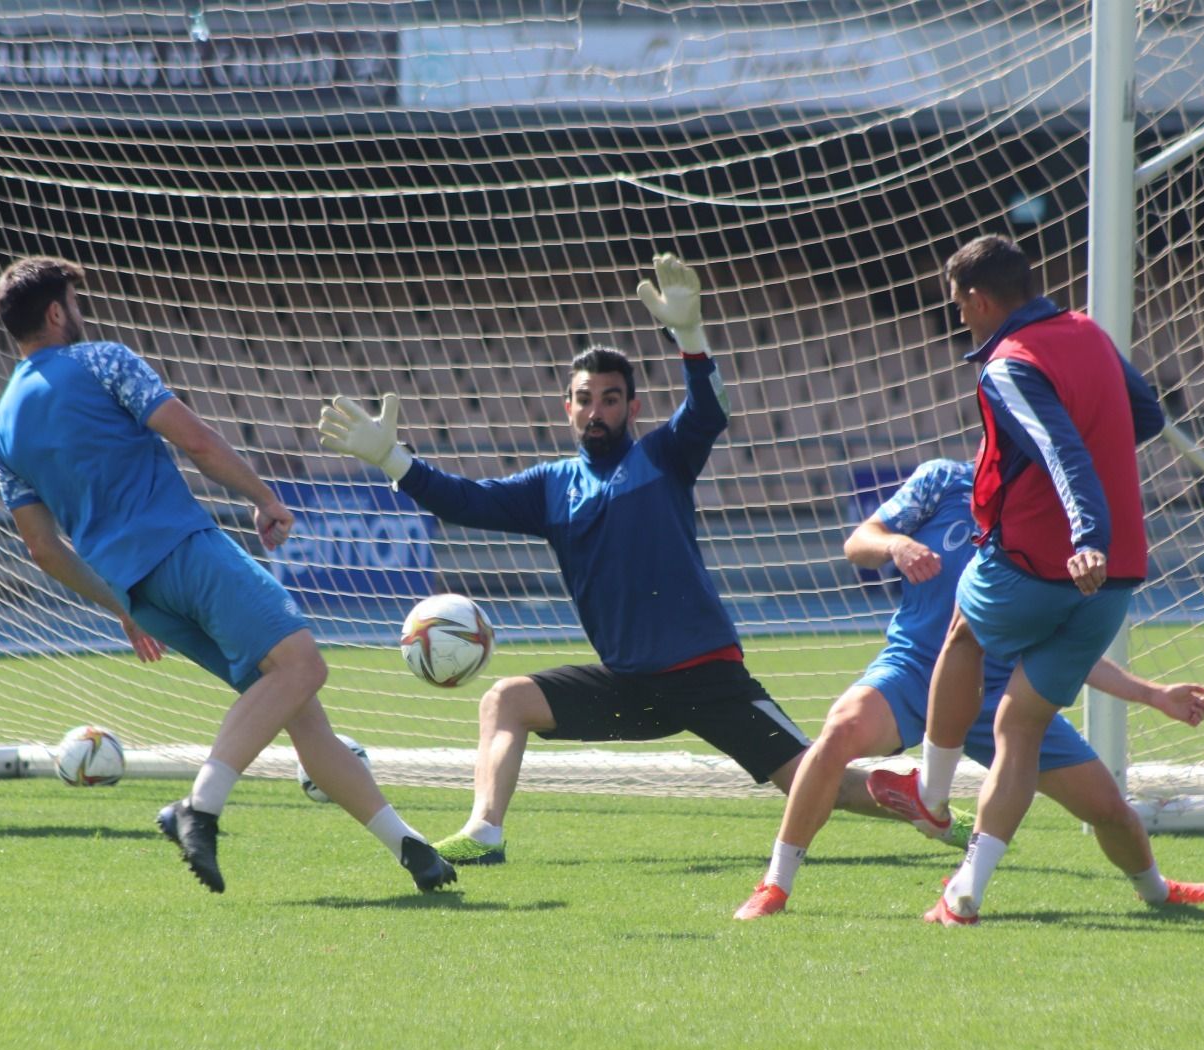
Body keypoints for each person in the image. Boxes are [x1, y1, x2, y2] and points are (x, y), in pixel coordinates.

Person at [318, 254, 965, 867]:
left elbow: (708, 411)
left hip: (704, 676)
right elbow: (463, 501)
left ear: (632, 406)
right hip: (628, 683)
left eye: (608, 398)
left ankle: (916, 800)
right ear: (567, 407)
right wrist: (392, 460)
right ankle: (485, 832)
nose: (595, 410)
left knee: (810, 779)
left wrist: (690, 335)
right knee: (506, 699)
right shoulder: (551, 486)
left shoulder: (661, 458)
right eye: (584, 398)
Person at [0, 256, 455, 894]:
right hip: (184, 551)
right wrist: (265, 498)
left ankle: (412, 850)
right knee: (303, 667)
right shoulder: (101, 360)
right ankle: (197, 808)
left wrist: (119, 604)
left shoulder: (2, 427)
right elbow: (198, 442)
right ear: (54, 311)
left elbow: (42, 548)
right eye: (75, 299)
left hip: (141, 595)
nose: (81, 310)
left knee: (299, 709)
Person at [735, 458, 1204, 919]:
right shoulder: (942, 481)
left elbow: (1066, 647)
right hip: (911, 669)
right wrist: (895, 544)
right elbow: (858, 542)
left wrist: (1152, 694)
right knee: (839, 732)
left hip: (1004, 691)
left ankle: (1157, 891)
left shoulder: (1056, 518)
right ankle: (775, 886)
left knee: (1111, 811)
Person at [865, 234, 1167, 924]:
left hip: (1043, 561)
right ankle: (968, 887)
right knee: (1020, 724)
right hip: (1116, 576)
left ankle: (932, 797)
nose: (962, 319)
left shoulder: (1007, 364)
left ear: (977, 299)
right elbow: (1144, 416)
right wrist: (1101, 519)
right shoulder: (1087, 330)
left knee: (965, 632)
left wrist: (1082, 530)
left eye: (959, 307)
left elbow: (1061, 450)